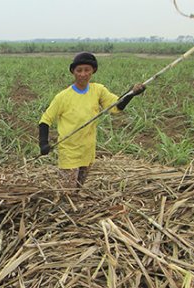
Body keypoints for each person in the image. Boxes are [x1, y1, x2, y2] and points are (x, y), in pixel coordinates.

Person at [38, 52, 146, 188]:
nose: (83, 74)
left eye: (87, 70)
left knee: (79, 188)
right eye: (79, 70)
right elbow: (45, 120)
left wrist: (131, 94)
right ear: (73, 72)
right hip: (69, 151)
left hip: (88, 150)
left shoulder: (98, 90)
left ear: (93, 71)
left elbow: (115, 107)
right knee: (67, 191)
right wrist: (43, 143)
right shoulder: (63, 97)